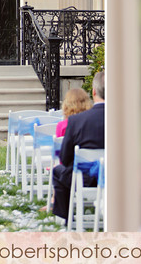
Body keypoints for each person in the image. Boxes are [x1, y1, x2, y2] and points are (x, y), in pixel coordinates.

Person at [51, 70, 105, 221]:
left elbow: (65, 157)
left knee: (58, 171)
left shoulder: (77, 121)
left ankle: (66, 217)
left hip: (85, 179)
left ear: (94, 92)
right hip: (116, 176)